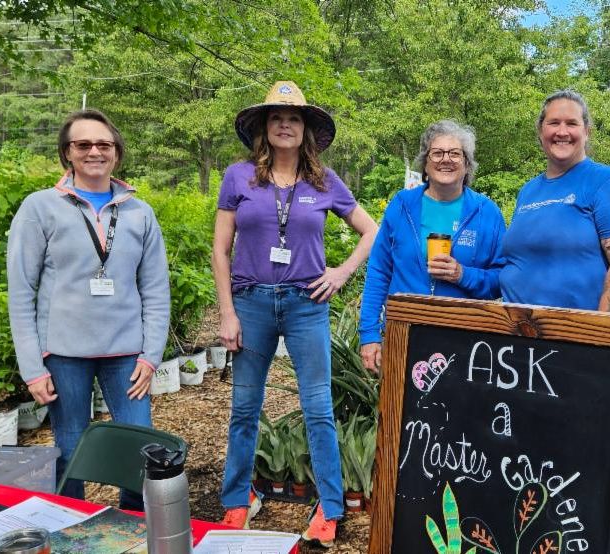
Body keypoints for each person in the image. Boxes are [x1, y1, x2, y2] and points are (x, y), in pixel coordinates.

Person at [212, 81, 377, 547]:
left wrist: (341, 272)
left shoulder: (325, 182)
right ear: (265, 128)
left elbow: (371, 230)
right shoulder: (238, 177)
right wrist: (227, 311)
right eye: (277, 117)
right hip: (251, 303)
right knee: (245, 409)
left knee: (319, 409)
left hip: (308, 305)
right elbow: (221, 251)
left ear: (306, 130)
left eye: (295, 118)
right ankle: (236, 501)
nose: (286, 124)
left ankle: (328, 508)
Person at [7, 110, 170, 509]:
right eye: (83, 144)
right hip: (63, 354)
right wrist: (32, 368)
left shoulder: (139, 213)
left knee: (141, 446)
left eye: (104, 144)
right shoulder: (40, 207)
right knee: (69, 448)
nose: (94, 151)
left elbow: (155, 289)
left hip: (127, 355)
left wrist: (151, 357)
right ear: (68, 153)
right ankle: (70, 530)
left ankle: (134, 526)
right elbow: (21, 291)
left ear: (116, 153)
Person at [359, 120, 506, 373]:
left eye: (455, 153)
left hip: (464, 337)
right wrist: (370, 334)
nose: (445, 160)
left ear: (467, 164)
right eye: (436, 153)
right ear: (425, 163)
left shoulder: (487, 212)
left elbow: (502, 279)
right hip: (404, 329)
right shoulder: (402, 205)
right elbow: (379, 271)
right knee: (398, 409)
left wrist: (463, 275)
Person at [499, 90, 610, 313]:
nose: (562, 131)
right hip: (528, 337)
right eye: (554, 122)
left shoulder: (607, 182)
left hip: (587, 337)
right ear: (541, 131)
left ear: (586, 131)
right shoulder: (528, 191)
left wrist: (599, 336)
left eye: (572, 123)